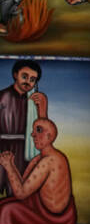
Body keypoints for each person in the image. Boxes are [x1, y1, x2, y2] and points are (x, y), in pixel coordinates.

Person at [0, 116, 76, 224]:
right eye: (34, 130)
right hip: (42, 209)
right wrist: (11, 164)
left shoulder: (48, 161)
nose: (33, 135)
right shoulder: (40, 158)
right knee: (4, 203)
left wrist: (9, 167)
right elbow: (23, 185)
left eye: (38, 130)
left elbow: (21, 193)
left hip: (53, 219)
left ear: (49, 136)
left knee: (6, 211)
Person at [0, 60, 45, 197]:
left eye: (32, 79)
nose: (28, 82)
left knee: (17, 192)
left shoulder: (35, 101)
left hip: (23, 150)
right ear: (15, 75)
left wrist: (42, 108)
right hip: (1, 147)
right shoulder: (1, 97)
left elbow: (43, 129)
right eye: (24, 76)